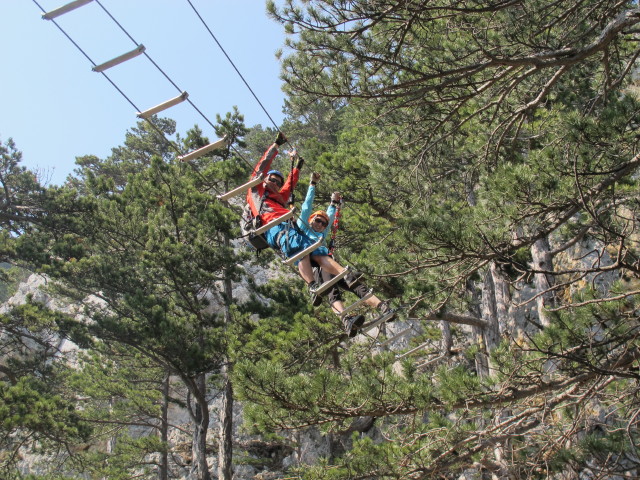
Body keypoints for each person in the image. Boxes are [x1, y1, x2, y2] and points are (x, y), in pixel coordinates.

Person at [245, 133, 358, 298]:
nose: (275, 183)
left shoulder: (279, 198)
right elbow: (260, 168)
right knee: (300, 251)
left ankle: (344, 281)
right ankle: (313, 286)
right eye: (272, 179)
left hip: (289, 227)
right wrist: (276, 146)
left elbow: (289, 186)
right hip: (274, 227)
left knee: (312, 251)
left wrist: (297, 168)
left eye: (278, 182)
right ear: (264, 180)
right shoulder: (256, 192)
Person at [297, 173, 395, 337]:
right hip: (317, 267)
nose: (320, 224)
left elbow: (331, 215)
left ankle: (381, 306)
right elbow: (306, 206)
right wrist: (312, 184)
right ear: (310, 220)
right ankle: (346, 320)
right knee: (332, 291)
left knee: (354, 283)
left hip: (328, 262)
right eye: (317, 220)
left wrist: (333, 203)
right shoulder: (304, 228)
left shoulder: (321, 235)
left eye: (322, 223)